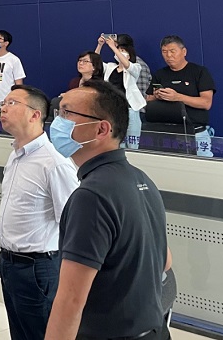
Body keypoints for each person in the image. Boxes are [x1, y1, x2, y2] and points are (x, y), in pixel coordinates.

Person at [45, 79, 168, 340]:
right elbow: (165, 262)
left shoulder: (91, 196)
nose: (57, 122)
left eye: (67, 113)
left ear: (101, 129)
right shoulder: (141, 178)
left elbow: (71, 300)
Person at [0, 85, 78, 340]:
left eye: (12, 103)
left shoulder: (54, 163)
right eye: (3, 102)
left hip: (37, 268)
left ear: (35, 115)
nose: (3, 108)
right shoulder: (15, 155)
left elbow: (72, 224)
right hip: (9, 263)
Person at [145, 35, 216, 157]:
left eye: (173, 51)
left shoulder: (199, 72)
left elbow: (206, 103)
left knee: (202, 166)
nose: (169, 55)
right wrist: (157, 96)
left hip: (195, 133)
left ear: (184, 52)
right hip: (166, 134)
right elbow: (148, 99)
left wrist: (177, 97)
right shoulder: (160, 74)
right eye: (164, 52)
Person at [99, 35, 146, 150]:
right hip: (114, 110)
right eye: (119, 50)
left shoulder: (136, 67)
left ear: (129, 55)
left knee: (132, 142)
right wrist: (100, 45)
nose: (120, 53)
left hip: (130, 109)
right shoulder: (110, 67)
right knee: (118, 142)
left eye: (123, 51)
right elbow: (96, 63)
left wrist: (113, 47)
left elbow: (127, 65)